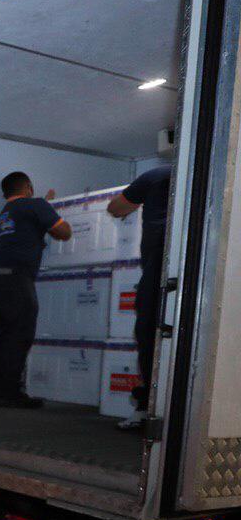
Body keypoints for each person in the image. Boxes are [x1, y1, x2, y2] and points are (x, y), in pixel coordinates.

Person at [0, 171, 72, 408]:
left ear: (5, 194)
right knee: (19, 333)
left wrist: (44, 208)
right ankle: (10, 392)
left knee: (3, 334)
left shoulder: (7, 212)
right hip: (14, 277)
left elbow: (29, 223)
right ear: (29, 187)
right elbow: (64, 232)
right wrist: (49, 209)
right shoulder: (35, 205)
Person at [107, 165, 172, 430]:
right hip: (185, 265)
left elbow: (116, 208)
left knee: (148, 332)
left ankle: (147, 408)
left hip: (159, 263)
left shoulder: (156, 175)